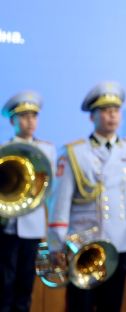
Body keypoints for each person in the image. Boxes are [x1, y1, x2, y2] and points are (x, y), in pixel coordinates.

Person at [49, 81, 126, 312]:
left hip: (118, 242)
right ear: (92, 116)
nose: (112, 115)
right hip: (83, 243)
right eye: (104, 110)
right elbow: (60, 202)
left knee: (111, 304)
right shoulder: (74, 152)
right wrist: (56, 242)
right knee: (79, 305)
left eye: (116, 110)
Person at [1, 91, 56, 312]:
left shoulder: (47, 150)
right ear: (12, 120)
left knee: (25, 284)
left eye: (34, 116)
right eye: (23, 116)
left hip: (32, 227)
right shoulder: (3, 150)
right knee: (5, 282)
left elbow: (49, 189)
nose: (30, 121)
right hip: (7, 228)